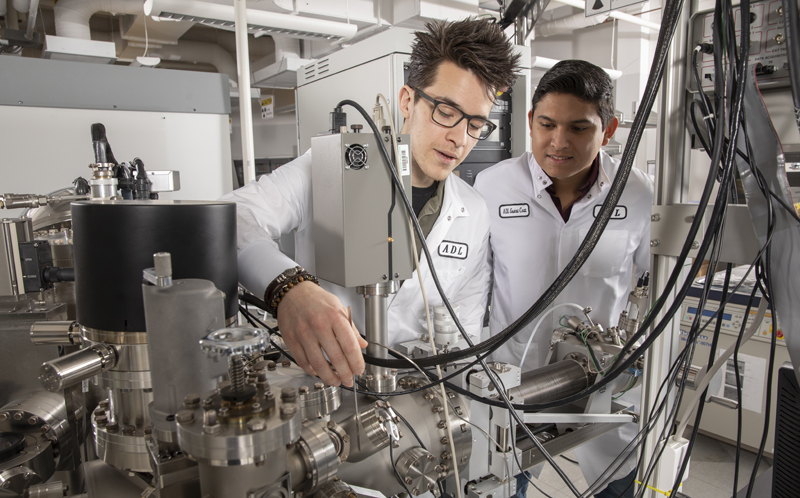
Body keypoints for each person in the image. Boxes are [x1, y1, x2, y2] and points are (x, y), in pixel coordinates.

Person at [222, 18, 520, 388]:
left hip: (420, 405)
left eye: (476, 125)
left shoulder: (473, 211)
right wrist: (288, 288)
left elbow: (466, 334)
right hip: (327, 393)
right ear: (407, 100)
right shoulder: (331, 168)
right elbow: (229, 219)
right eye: (446, 112)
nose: (459, 138)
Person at [474, 60, 653, 498]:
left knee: (616, 484)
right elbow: (469, 286)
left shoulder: (637, 190)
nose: (558, 142)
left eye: (578, 128)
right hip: (514, 382)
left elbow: (655, 281)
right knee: (501, 484)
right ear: (530, 121)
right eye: (547, 124)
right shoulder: (492, 186)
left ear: (608, 130)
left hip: (600, 382)